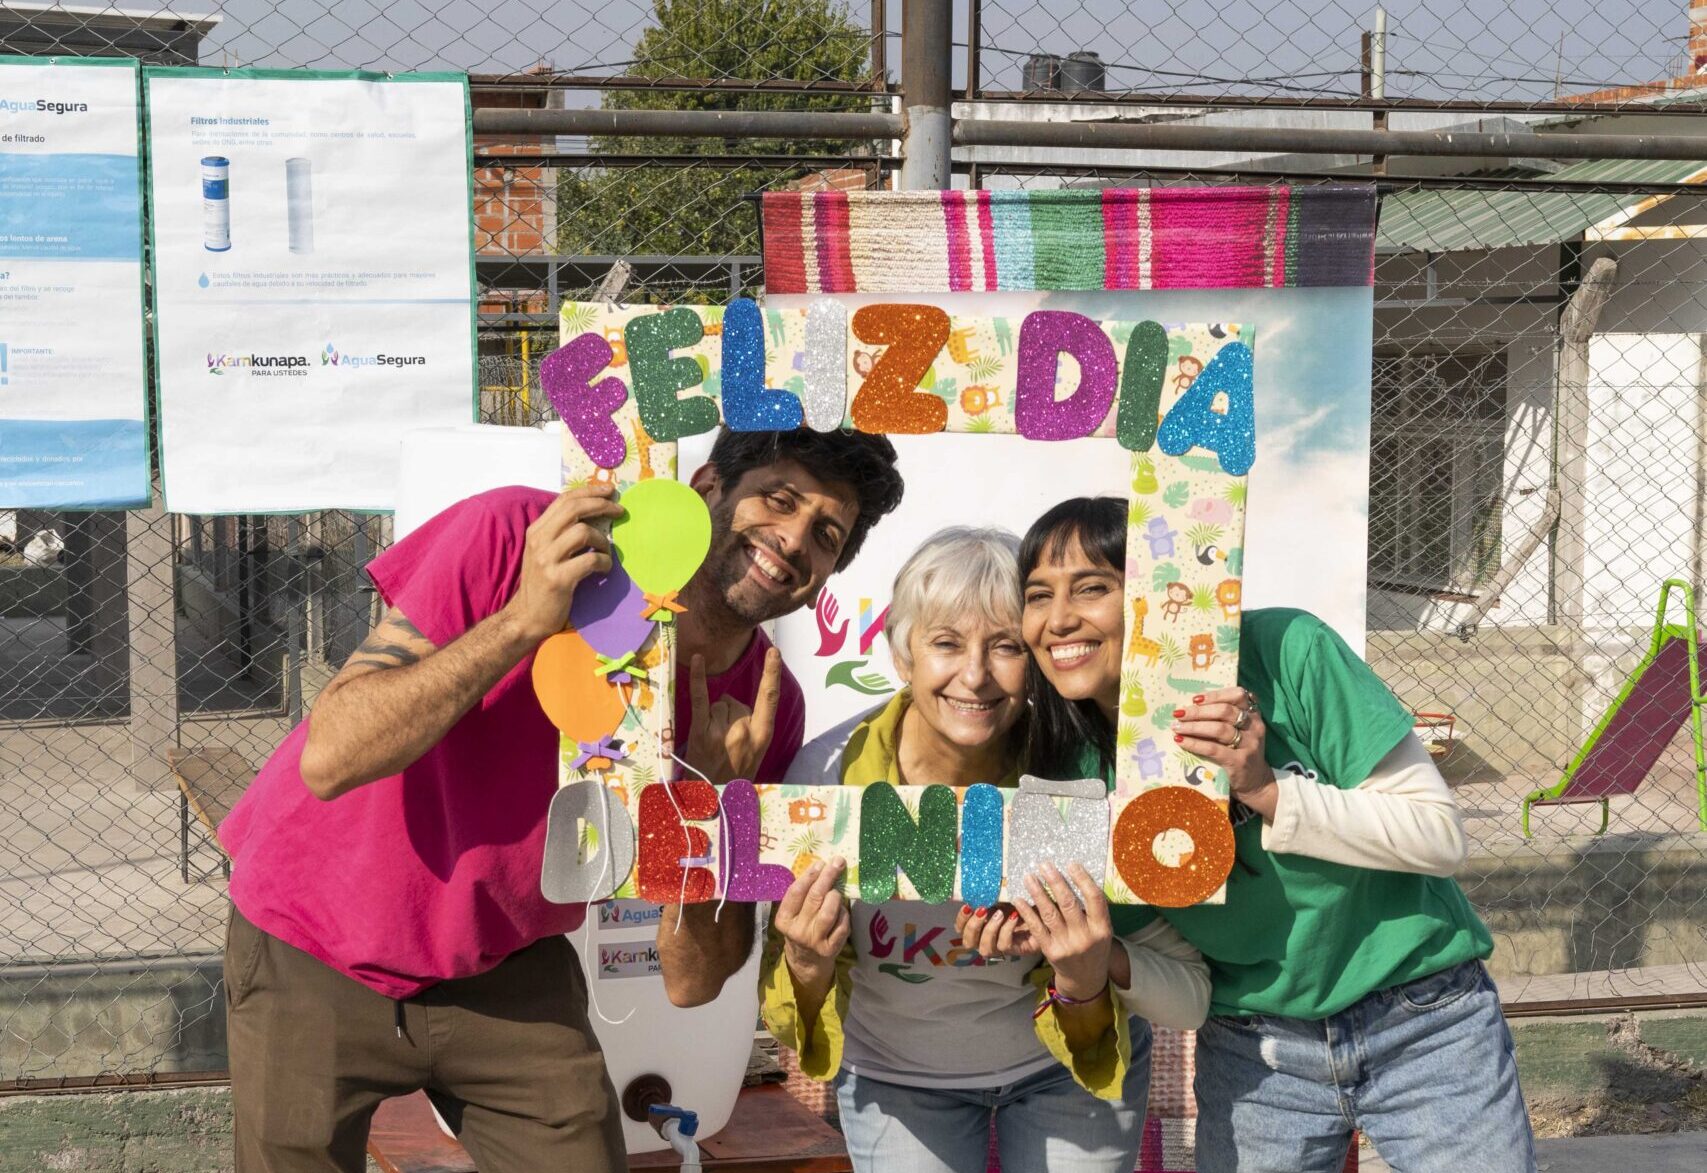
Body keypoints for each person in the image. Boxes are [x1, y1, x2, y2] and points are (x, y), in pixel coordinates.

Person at [217, 426, 903, 1173]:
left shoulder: (763, 707)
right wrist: (523, 618)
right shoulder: (525, 536)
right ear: (707, 486)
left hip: (506, 961)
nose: (793, 539)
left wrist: (707, 806)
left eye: (826, 534)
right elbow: (330, 758)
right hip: (314, 933)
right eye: (779, 499)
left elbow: (692, 982)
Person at [1017, 497, 1536, 1173]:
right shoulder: (1067, 772)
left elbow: (1437, 835)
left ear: (1156, 594)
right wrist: (1099, 955)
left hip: (1423, 1021)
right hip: (1254, 1052)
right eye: (1038, 595)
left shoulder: (1286, 650)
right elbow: (1190, 992)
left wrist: (1265, 789)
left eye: (1091, 587)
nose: (1058, 619)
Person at [753, 527, 1210, 1173]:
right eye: (945, 643)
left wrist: (1081, 964)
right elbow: (786, 1003)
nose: (974, 675)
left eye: (1005, 646)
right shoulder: (826, 776)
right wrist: (805, 960)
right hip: (897, 1080)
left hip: (1065, 1067)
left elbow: (1172, 973)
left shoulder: (1076, 769)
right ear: (902, 654)